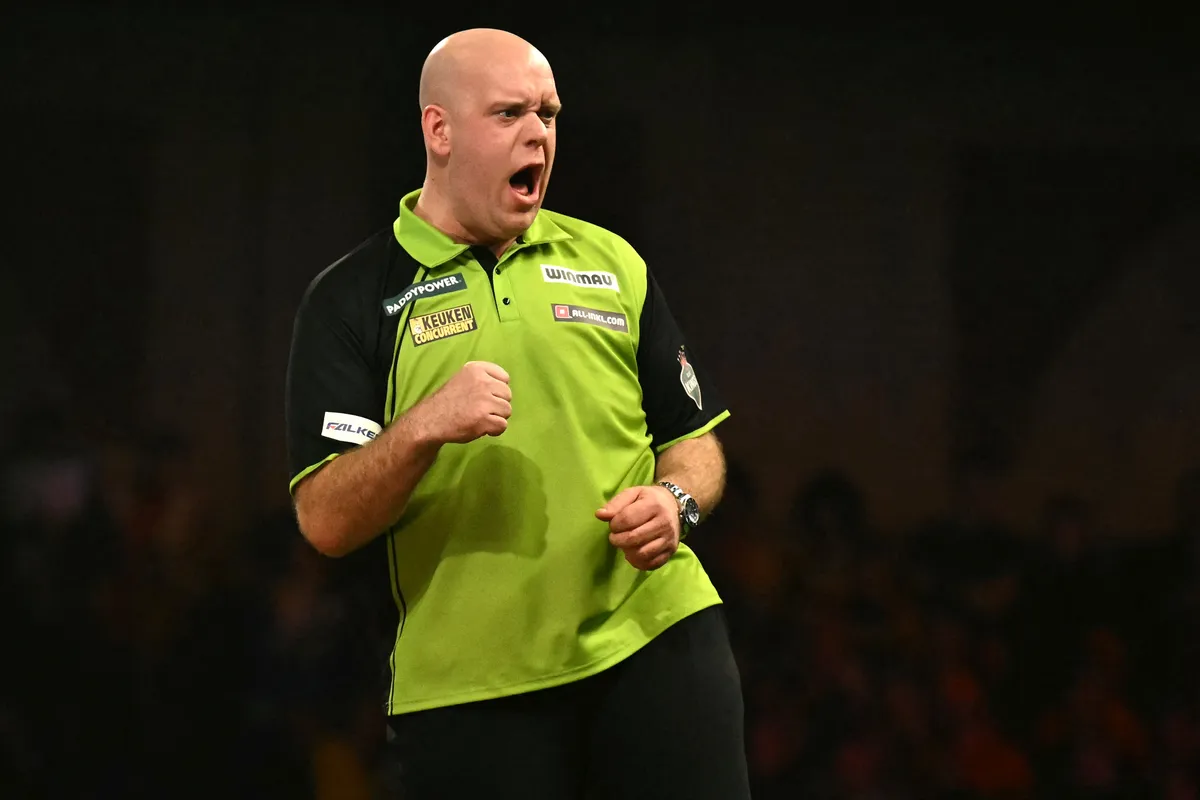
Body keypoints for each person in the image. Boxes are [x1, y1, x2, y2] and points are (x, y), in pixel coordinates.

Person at [284, 27, 751, 799]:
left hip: (656, 639)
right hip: (470, 683)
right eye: (509, 114)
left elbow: (693, 443)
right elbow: (327, 520)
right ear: (439, 130)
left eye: (549, 114)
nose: (538, 133)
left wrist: (678, 502)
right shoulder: (353, 298)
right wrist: (426, 424)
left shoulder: (613, 263)